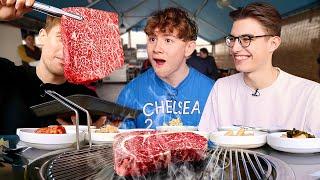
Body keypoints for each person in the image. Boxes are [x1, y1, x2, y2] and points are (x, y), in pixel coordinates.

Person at [199, 2, 320, 134]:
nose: (234, 48)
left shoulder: (309, 95)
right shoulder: (222, 88)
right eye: (232, 39)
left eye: (246, 39)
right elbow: (206, 141)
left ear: (273, 44)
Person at [0, 0, 105, 135]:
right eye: (61, 38)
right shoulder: (6, 75)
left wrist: (90, 138)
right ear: (43, 36)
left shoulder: (86, 99)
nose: (68, 50)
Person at [116, 7, 214, 129]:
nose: (156, 49)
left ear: (188, 48)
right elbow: (119, 140)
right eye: (152, 39)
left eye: (168, 40)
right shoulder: (131, 92)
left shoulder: (212, 92)